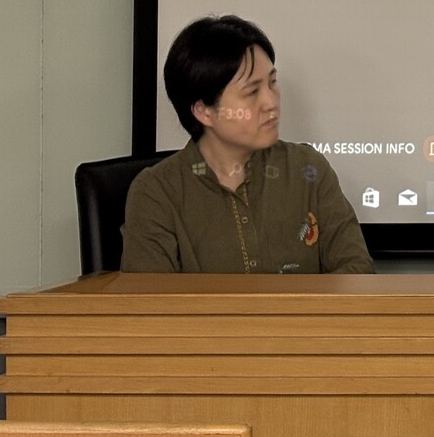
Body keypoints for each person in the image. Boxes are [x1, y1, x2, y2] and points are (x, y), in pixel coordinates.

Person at [121, 15, 373, 273]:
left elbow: (356, 271)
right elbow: (150, 306)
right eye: (252, 92)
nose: (271, 102)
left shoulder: (307, 169)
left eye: (272, 83)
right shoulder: (156, 193)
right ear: (204, 111)